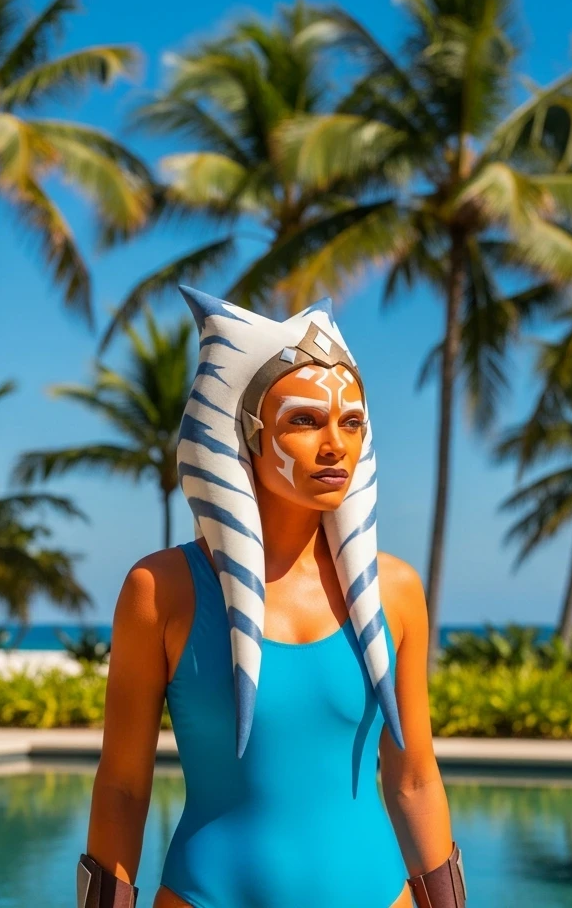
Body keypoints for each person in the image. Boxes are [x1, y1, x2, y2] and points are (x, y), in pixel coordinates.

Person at [78, 288, 465, 908]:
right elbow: (123, 786)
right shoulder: (161, 591)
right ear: (248, 436)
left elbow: (414, 778)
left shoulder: (395, 592)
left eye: (352, 421)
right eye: (305, 421)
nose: (335, 444)